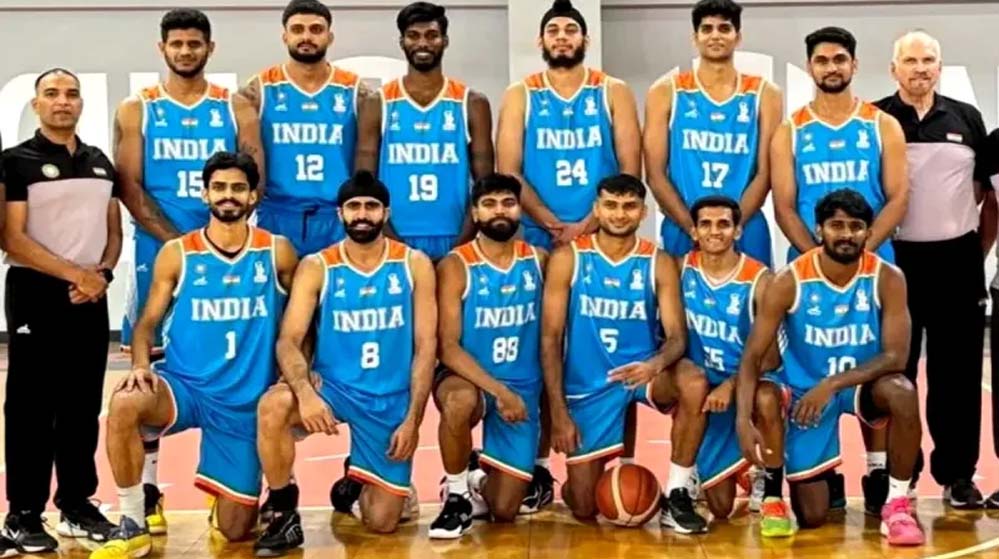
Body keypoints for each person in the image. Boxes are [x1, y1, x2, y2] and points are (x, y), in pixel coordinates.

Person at [88, 151, 296, 559]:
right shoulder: (178, 252)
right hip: (185, 388)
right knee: (126, 401)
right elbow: (146, 323)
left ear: (253, 196)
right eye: (219, 187)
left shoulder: (277, 251)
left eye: (238, 188)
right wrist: (141, 366)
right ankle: (133, 521)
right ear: (205, 194)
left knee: (235, 531)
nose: (228, 195)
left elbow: (302, 321)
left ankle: (227, 494)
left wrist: (294, 373)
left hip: (245, 403)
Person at [114, 10, 265, 533]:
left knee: (239, 357)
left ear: (210, 48)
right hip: (157, 249)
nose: (185, 51)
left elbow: (255, 175)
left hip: (223, 249)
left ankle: (242, 482)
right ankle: (148, 492)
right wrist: (178, 242)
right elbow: (128, 185)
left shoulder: (234, 106)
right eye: (176, 43)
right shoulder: (138, 108)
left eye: (194, 43)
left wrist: (216, 241)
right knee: (151, 368)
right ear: (162, 49)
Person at [496, 0, 642, 511]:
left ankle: (620, 460)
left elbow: (629, 169)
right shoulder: (522, 94)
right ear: (540, 41)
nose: (562, 36)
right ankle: (537, 466)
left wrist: (588, 224)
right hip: (540, 237)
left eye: (570, 30)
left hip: (602, 234)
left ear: (585, 39)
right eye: (554, 30)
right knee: (542, 347)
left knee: (611, 349)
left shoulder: (612, 91)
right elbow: (508, 169)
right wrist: (553, 225)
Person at [253, 170, 437, 555]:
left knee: (383, 522)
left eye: (371, 206)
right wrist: (305, 393)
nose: (362, 214)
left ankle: (352, 486)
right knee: (273, 405)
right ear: (340, 214)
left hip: (389, 398)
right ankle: (284, 511)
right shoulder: (318, 265)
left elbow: (426, 347)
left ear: (386, 213)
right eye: (354, 207)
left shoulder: (414, 263)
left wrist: (413, 420)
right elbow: (288, 340)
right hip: (333, 389)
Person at [736, 189, 924, 545]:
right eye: (837, 225)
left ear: (868, 233)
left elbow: (896, 357)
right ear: (819, 229)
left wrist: (833, 384)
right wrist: (742, 420)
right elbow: (752, 358)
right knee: (812, 516)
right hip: (805, 393)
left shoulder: (888, 277)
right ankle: (788, 489)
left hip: (859, 386)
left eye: (856, 226)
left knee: (902, 391)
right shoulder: (789, 280)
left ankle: (897, 505)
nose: (846, 234)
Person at [541, 174, 709, 533]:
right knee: (584, 506)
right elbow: (550, 338)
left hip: (643, 375)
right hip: (589, 385)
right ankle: (586, 477)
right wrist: (558, 412)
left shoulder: (658, 261)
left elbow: (677, 337)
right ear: (596, 209)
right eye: (611, 205)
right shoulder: (569, 258)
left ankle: (677, 492)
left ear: (643, 212)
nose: (620, 214)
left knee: (693, 382)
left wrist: (654, 364)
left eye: (630, 206)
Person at [0, 68, 122, 554]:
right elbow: (11, 238)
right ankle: (23, 514)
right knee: (31, 406)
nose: (62, 101)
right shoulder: (16, 162)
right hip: (36, 291)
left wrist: (102, 274)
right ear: (36, 104)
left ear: (81, 103)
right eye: (51, 93)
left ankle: (76, 504)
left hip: (91, 294)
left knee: (81, 405)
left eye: (71, 94)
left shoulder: (99, 163)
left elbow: (113, 231)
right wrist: (77, 275)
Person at [875, 30, 993, 509]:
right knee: (895, 373)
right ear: (894, 69)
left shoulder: (967, 118)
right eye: (910, 60)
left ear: (939, 67)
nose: (920, 68)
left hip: (958, 263)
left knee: (957, 376)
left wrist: (973, 252)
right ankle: (898, 476)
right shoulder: (877, 119)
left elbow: (984, 193)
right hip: (896, 263)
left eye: (928, 60)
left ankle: (957, 475)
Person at [428, 174, 547, 539]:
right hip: (467, 378)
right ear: (475, 213)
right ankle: (457, 495)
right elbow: (447, 346)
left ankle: (478, 476)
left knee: (505, 510)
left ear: (519, 210)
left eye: (508, 203)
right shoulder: (455, 265)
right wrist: (499, 391)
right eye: (489, 204)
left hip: (522, 383)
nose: (500, 211)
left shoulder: (539, 260)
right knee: (460, 402)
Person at [678, 195, 792, 537]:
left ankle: (772, 491)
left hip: (753, 380)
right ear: (694, 231)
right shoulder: (680, 270)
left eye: (724, 224)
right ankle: (702, 467)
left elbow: (771, 357)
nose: (715, 231)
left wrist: (731, 385)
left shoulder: (761, 280)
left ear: (738, 231)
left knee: (766, 399)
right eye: (706, 224)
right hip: (705, 386)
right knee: (721, 508)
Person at [645, 0, 782, 268]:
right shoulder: (666, 91)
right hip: (683, 224)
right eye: (707, 29)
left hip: (745, 224)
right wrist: (694, 227)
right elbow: (655, 174)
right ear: (695, 37)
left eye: (724, 28)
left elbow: (766, 173)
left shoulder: (765, 93)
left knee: (756, 294)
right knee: (678, 295)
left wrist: (731, 227)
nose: (715, 35)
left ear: (738, 37)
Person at [354, 1, 493, 263]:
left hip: (455, 235)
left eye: (431, 35)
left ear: (445, 41)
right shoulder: (377, 103)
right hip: (393, 236)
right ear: (402, 42)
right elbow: (364, 186)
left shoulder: (472, 102)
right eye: (413, 36)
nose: (423, 43)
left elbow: (485, 188)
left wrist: (458, 249)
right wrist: (394, 245)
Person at [241, 0, 371, 255]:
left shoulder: (356, 91)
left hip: (337, 215)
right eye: (298, 29)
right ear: (285, 36)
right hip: (277, 213)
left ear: (330, 36)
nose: (307, 37)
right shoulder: (259, 90)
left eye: (316, 29)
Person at [772, 26, 908, 265]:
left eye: (840, 59)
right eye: (822, 61)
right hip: (808, 258)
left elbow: (898, 199)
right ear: (809, 67)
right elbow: (784, 208)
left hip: (873, 257)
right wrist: (820, 261)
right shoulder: (789, 130)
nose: (831, 68)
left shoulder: (883, 125)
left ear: (854, 65)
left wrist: (859, 254)